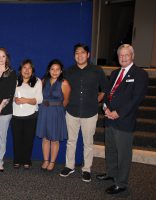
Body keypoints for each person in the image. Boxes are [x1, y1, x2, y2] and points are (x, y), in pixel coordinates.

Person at [96, 44, 148, 194]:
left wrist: (118, 112)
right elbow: (107, 93)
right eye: (121, 55)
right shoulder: (114, 73)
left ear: (132, 56)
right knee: (111, 149)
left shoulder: (140, 74)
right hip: (109, 117)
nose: (123, 58)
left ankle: (121, 183)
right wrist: (105, 107)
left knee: (123, 154)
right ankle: (111, 174)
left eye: (126, 55)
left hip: (124, 120)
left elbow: (136, 98)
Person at [60, 43, 108, 182]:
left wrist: (96, 100)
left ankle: (86, 169)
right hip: (72, 111)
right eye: (76, 53)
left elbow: (105, 88)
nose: (79, 55)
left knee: (88, 143)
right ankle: (69, 166)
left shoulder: (97, 70)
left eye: (82, 52)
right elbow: (63, 89)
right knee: (71, 141)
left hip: (90, 112)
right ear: (74, 55)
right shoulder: (69, 71)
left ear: (87, 55)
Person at [36, 59, 70, 171]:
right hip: (44, 112)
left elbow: (66, 101)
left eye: (57, 69)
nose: (55, 72)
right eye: (52, 69)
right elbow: (38, 96)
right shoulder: (43, 81)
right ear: (49, 70)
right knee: (45, 138)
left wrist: (57, 109)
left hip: (56, 112)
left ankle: (52, 162)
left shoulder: (64, 83)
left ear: (61, 71)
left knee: (55, 139)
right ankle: (46, 160)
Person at [12, 59, 43, 169]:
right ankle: (17, 160)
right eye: (24, 67)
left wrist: (26, 100)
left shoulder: (37, 81)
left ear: (32, 70)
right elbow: (8, 96)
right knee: (17, 139)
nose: (27, 70)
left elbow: (39, 99)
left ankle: (26, 160)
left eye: (29, 68)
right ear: (20, 69)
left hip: (31, 115)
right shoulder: (14, 80)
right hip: (16, 115)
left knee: (28, 139)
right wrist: (14, 99)